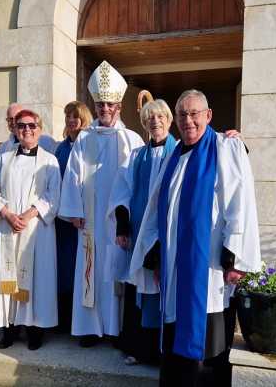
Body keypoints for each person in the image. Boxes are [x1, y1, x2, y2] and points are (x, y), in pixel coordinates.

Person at [129, 89, 262, 386]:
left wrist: (235, 256)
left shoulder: (224, 147)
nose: (188, 121)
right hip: (175, 267)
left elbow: (238, 203)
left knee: (205, 346)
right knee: (174, 337)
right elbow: (155, 207)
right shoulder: (173, 156)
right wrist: (154, 253)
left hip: (209, 267)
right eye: (182, 115)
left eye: (194, 114)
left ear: (208, 115)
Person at [59, 61, 144, 347]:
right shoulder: (84, 138)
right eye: (100, 104)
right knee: (91, 272)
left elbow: (137, 182)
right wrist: (74, 212)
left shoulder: (131, 139)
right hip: (91, 221)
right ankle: (90, 329)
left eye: (109, 104)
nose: (105, 109)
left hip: (119, 222)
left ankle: (116, 330)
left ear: (119, 106)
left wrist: (130, 220)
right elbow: (73, 175)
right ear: (95, 107)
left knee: (115, 273)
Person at [0, 109, 61, 350]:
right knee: (9, 277)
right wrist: (6, 213)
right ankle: (9, 328)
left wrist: (28, 214)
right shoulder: (3, 158)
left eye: (31, 126)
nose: (26, 130)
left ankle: (35, 329)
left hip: (36, 230)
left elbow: (53, 194)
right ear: (15, 129)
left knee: (36, 278)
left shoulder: (50, 160)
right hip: (8, 227)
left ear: (40, 129)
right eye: (21, 126)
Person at [109, 99, 176, 365]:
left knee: (163, 291)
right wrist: (123, 226)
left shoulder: (179, 153)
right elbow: (121, 191)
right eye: (150, 118)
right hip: (139, 236)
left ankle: (164, 351)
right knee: (140, 290)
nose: (155, 121)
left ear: (169, 120)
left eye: (160, 117)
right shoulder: (137, 156)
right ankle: (140, 349)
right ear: (144, 123)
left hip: (167, 237)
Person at [53, 101, 93, 333]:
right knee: (65, 269)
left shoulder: (89, 144)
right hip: (64, 220)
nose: (71, 121)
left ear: (84, 119)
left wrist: (78, 211)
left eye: (76, 117)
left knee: (83, 269)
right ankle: (65, 319)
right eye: (68, 116)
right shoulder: (60, 148)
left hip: (83, 219)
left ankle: (82, 320)